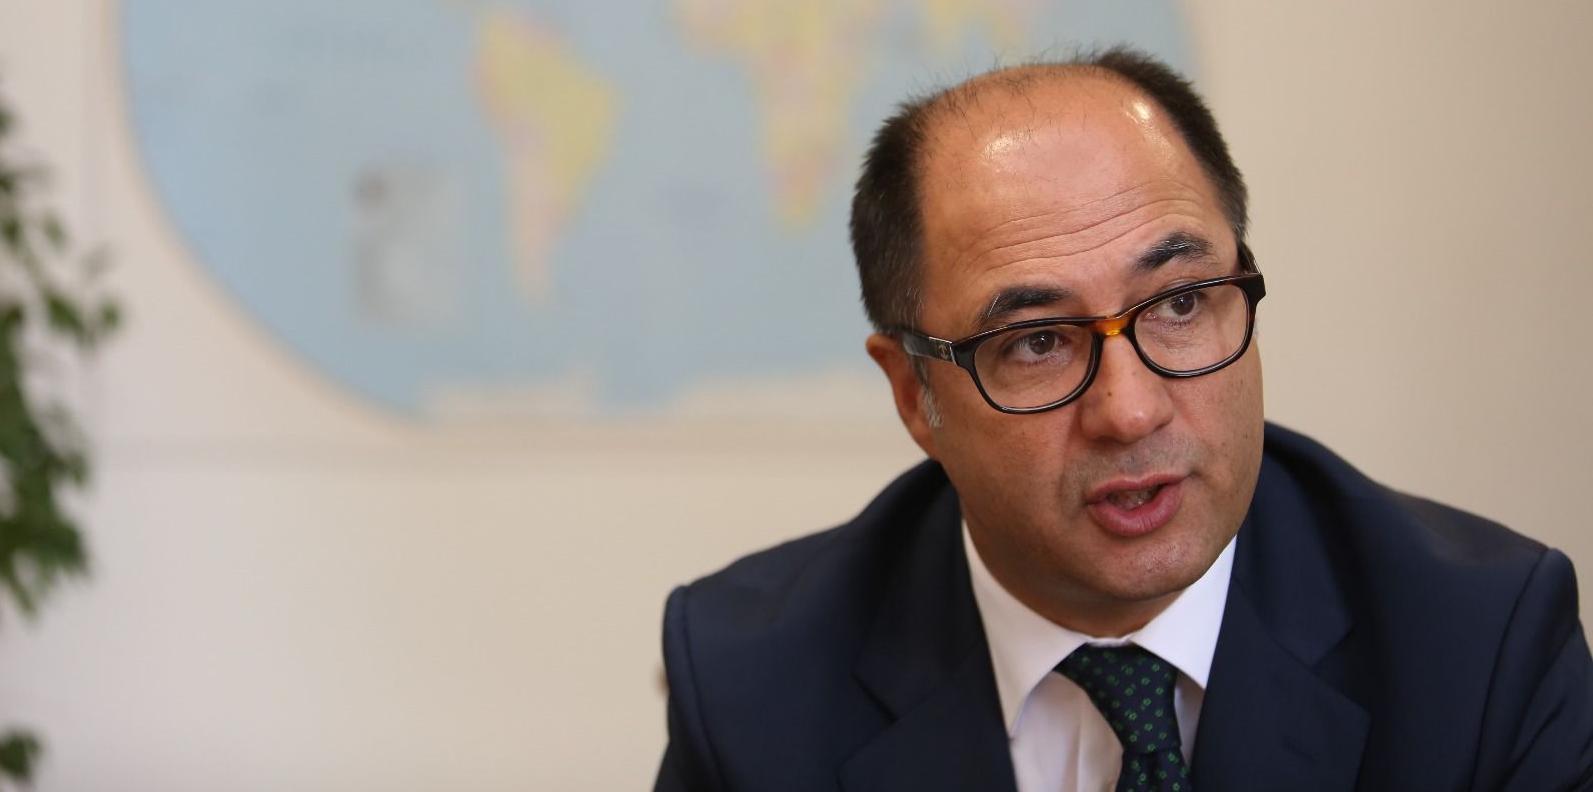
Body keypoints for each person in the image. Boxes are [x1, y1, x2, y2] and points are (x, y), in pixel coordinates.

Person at [652, 47, 1593, 792]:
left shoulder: (1479, 645)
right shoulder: (753, 685)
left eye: (1181, 303)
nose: (1131, 410)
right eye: (1036, 342)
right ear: (913, 395)